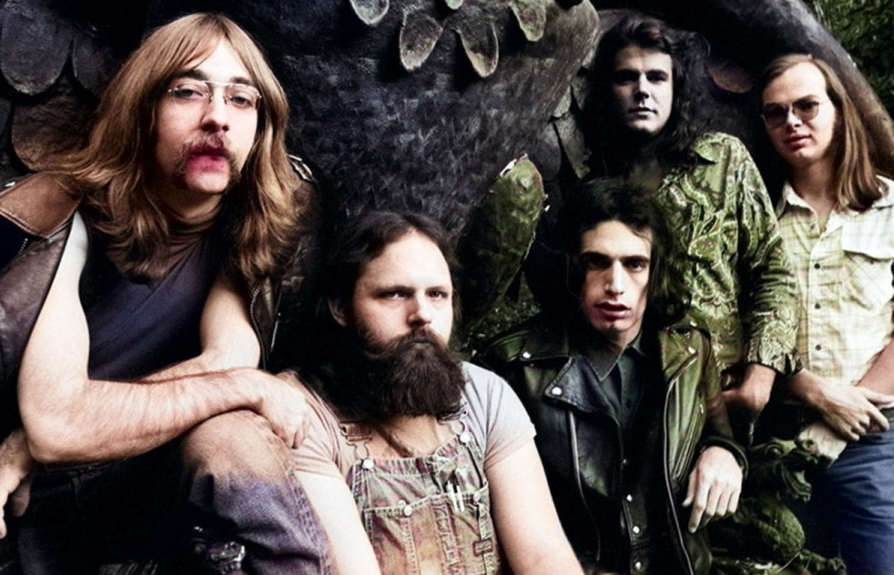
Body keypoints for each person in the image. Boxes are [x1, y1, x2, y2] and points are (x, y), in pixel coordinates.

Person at [0, 13, 332, 574]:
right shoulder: (54, 215)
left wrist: (29, 443)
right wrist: (41, 438)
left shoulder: (256, 213)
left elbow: (228, 358)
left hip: (136, 486)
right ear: (142, 111)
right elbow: (59, 424)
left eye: (241, 99)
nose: (217, 117)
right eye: (187, 91)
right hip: (6, 516)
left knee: (234, 435)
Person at [287, 211, 583, 575]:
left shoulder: (483, 394)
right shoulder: (305, 414)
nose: (422, 314)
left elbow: (544, 557)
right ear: (340, 307)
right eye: (395, 294)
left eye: (437, 295)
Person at [482, 181, 745, 575]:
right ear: (572, 267)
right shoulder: (512, 368)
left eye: (635, 264)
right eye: (597, 262)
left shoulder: (689, 349)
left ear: (655, 270)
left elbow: (719, 433)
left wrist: (724, 453)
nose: (616, 286)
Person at [757, 54, 894, 575]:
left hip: (875, 446)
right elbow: (742, 332)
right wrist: (815, 392)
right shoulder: (758, 218)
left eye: (806, 106)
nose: (792, 122)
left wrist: (843, 420)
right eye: (776, 113)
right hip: (777, 443)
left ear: (839, 111)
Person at [570, 10, 799, 423]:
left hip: (722, 395)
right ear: (607, 90)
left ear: (676, 87)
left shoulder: (723, 160)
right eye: (627, 78)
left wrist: (759, 379)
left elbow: (773, 272)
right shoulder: (589, 182)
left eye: (656, 78)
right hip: (625, 405)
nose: (642, 90)